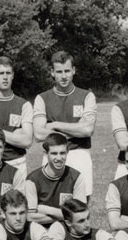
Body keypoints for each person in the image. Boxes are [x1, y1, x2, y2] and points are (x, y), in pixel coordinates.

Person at [33, 51, 97, 199]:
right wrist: (76, 129)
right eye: (59, 71)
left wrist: (54, 125)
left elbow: (87, 130)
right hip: (51, 155)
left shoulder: (87, 96)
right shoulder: (42, 98)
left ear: (73, 70)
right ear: (52, 72)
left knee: (81, 204)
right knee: (50, 201)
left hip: (80, 154)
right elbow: (38, 134)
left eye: (67, 71)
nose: (63, 76)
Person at [0, 56, 33, 174]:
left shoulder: (24, 105)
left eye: (8, 73)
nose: (5, 77)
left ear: (13, 75)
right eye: (1, 73)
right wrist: (13, 135)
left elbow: (27, 141)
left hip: (17, 163)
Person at [26, 134, 86, 226]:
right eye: (54, 153)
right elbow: (30, 217)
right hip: (40, 229)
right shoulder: (32, 180)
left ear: (67, 152)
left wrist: (45, 209)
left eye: (62, 153)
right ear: (46, 154)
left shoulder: (76, 177)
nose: (59, 158)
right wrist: (66, 215)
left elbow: (80, 215)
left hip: (67, 231)